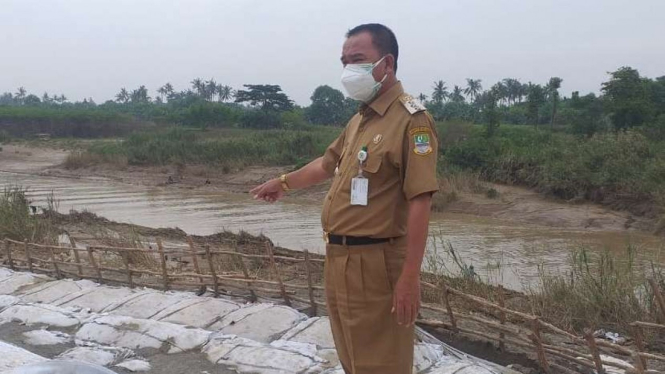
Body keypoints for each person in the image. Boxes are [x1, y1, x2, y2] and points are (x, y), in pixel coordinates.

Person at [250, 23, 438, 374]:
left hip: (378, 263)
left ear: (387, 64)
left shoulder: (413, 121)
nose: (348, 70)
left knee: (382, 362)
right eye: (344, 61)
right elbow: (325, 165)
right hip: (339, 259)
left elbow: (421, 200)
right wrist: (283, 183)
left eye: (358, 60)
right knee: (352, 357)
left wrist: (410, 277)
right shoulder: (359, 121)